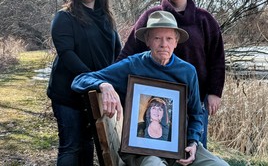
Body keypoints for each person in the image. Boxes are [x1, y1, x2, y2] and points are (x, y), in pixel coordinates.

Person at [71, 11, 229, 166]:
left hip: (180, 146)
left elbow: (196, 113)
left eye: (169, 39)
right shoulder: (133, 65)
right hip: (141, 150)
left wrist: (193, 142)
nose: (163, 44)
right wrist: (103, 85)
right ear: (147, 40)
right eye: (157, 38)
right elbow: (80, 80)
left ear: (176, 41)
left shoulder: (187, 71)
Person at [116, 0, 225, 149]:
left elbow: (217, 59)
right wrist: (118, 85)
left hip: (195, 99)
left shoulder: (204, 19)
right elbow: (129, 51)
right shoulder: (152, 17)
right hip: (156, 97)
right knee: (159, 151)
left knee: (194, 147)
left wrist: (214, 92)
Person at [47, 0, 121, 166]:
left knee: (88, 144)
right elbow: (67, 54)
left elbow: (118, 54)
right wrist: (96, 81)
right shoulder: (64, 17)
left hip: (95, 95)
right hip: (67, 95)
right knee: (71, 147)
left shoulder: (107, 19)